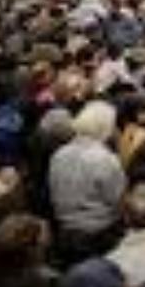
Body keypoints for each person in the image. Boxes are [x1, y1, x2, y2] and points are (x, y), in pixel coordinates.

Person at [48, 100, 126, 263]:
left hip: (63, 230)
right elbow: (116, 200)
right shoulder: (107, 159)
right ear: (105, 128)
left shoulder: (59, 154)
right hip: (98, 235)